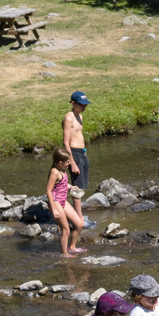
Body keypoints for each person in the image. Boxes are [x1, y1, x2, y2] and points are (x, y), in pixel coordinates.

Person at [46, 147, 85, 257]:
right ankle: (65, 254)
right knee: (66, 229)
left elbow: (62, 184)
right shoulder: (54, 172)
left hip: (63, 201)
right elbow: (48, 191)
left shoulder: (62, 170)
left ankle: (72, 247)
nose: (69, 163)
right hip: (56, 202)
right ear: (60, 162)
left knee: (79, 224)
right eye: (67, 162)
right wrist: (53, 209)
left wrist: (71, 187)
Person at [62, 91, 92, 227]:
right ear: (73, 103)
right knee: (77, 187)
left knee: (82, 185)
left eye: (85, 105)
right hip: (74, 154)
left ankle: (78, 215)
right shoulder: (68, 118)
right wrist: (72, 163)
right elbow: (65, 143)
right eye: (81, 105)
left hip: (82, 153)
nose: (83, 107)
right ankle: (79, 220)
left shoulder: (80, 116)